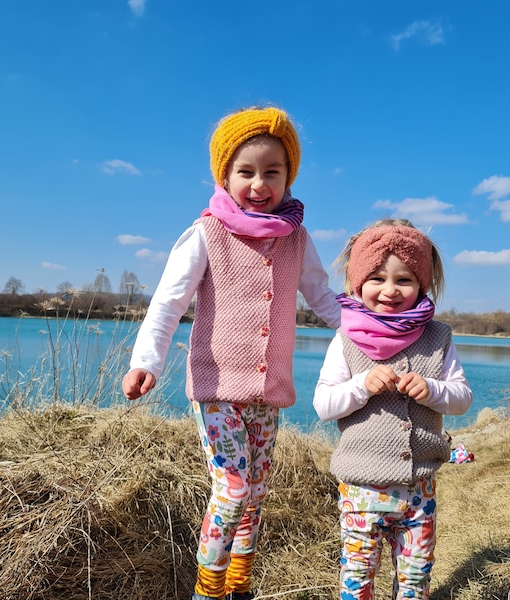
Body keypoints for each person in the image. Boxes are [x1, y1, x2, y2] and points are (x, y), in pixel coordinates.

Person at [122, 106, 341, 600]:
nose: (259, 184)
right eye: (246, 172)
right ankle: (209, 589)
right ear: (225, 175)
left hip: (269, 393)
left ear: (289, 178)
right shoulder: (206, 233)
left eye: (273, 172)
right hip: (217, 389)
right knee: (234, 489)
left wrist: (372, 336)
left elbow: (323, 296)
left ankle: (239, 584)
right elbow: (167, 302)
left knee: (257, 492)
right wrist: (145, 362)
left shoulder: (297, 237)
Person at [313, 220, 472, 600]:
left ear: (423, 285)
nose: (389, 291)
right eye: (377, 279)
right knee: (357, 578)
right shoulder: (346, 339)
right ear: (356, 283)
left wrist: (431, 390)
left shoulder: (438, 337)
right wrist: (360, 386)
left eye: (404, 280)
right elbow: (323, 405)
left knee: (416, 580)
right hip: (361, 489)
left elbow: (462, 396)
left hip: (419, 489)